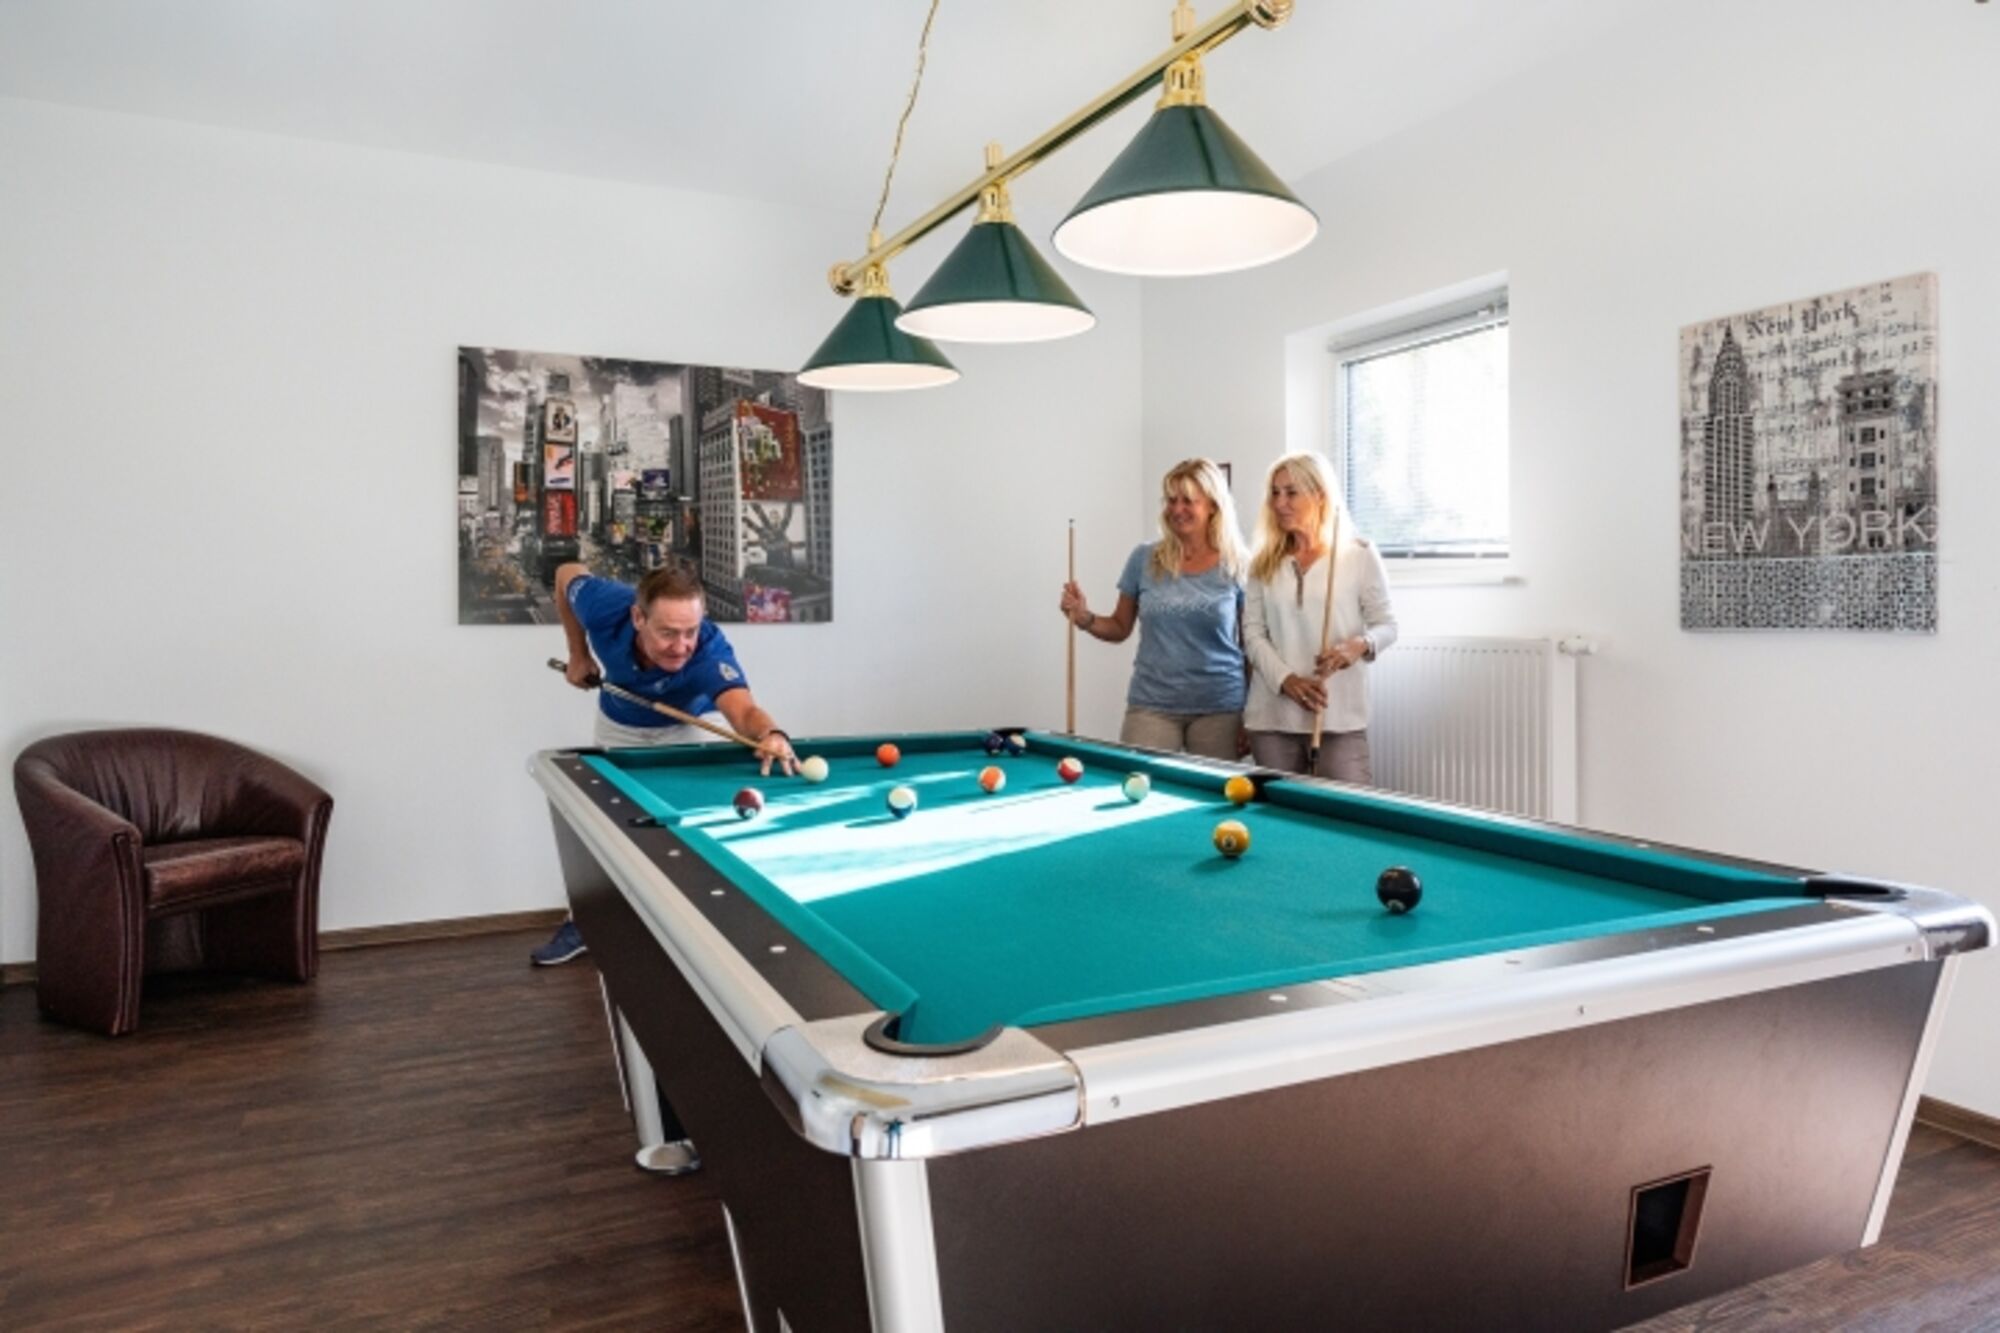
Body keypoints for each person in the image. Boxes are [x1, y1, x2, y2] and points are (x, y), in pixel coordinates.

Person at [533, 560, 797, 968]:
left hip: (683, 731)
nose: (681, 645)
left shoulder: (709, 650)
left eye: (690, 631)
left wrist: (771, 733)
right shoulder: (605, 606)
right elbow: (566, 571)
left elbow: (744, 711)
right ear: (638, 618)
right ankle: (584, 922)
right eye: (668, 632)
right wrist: (577, 653)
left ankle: (692, 928)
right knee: (605, 827)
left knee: (688, 833)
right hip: (619, 726)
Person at [1059, 458, 1249, 761]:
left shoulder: (1239, 564)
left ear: (1213, 506)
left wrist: (1250, 716)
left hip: (1220, 707)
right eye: (1171, 500)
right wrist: (1084, 617)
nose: (1177, 509)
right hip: (1152, 705)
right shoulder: (1144, 558)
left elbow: (1250, 646)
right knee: (1137, 780)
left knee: (1212, 790)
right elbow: (1119, 627)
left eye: (1188, 500)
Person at [1241, 452, 1397, 783]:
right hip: (1271, 718)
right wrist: (1287, 681)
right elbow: (1252, 634)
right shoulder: (1262, 561)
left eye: (1291, 492)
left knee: (1349, 810)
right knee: (1279, 813)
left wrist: (1360, 644)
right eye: (1275, 493)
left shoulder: (1359, 554)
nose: (1279, 502)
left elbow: (1387, 625)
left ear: (1320, 495)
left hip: (1338, 717)